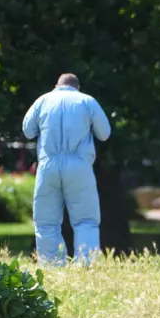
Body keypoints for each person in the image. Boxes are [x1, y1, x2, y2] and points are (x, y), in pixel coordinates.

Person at [22, 73, 111, 266]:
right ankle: (86, 266)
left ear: (56, 85)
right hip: (79, 165)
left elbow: (28, 130)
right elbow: (104, 134)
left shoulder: (43, 100)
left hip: (48, 164)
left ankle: (52, 266)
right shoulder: (87, 101)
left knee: (46, 222)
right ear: (77, 87)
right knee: (86, 220)